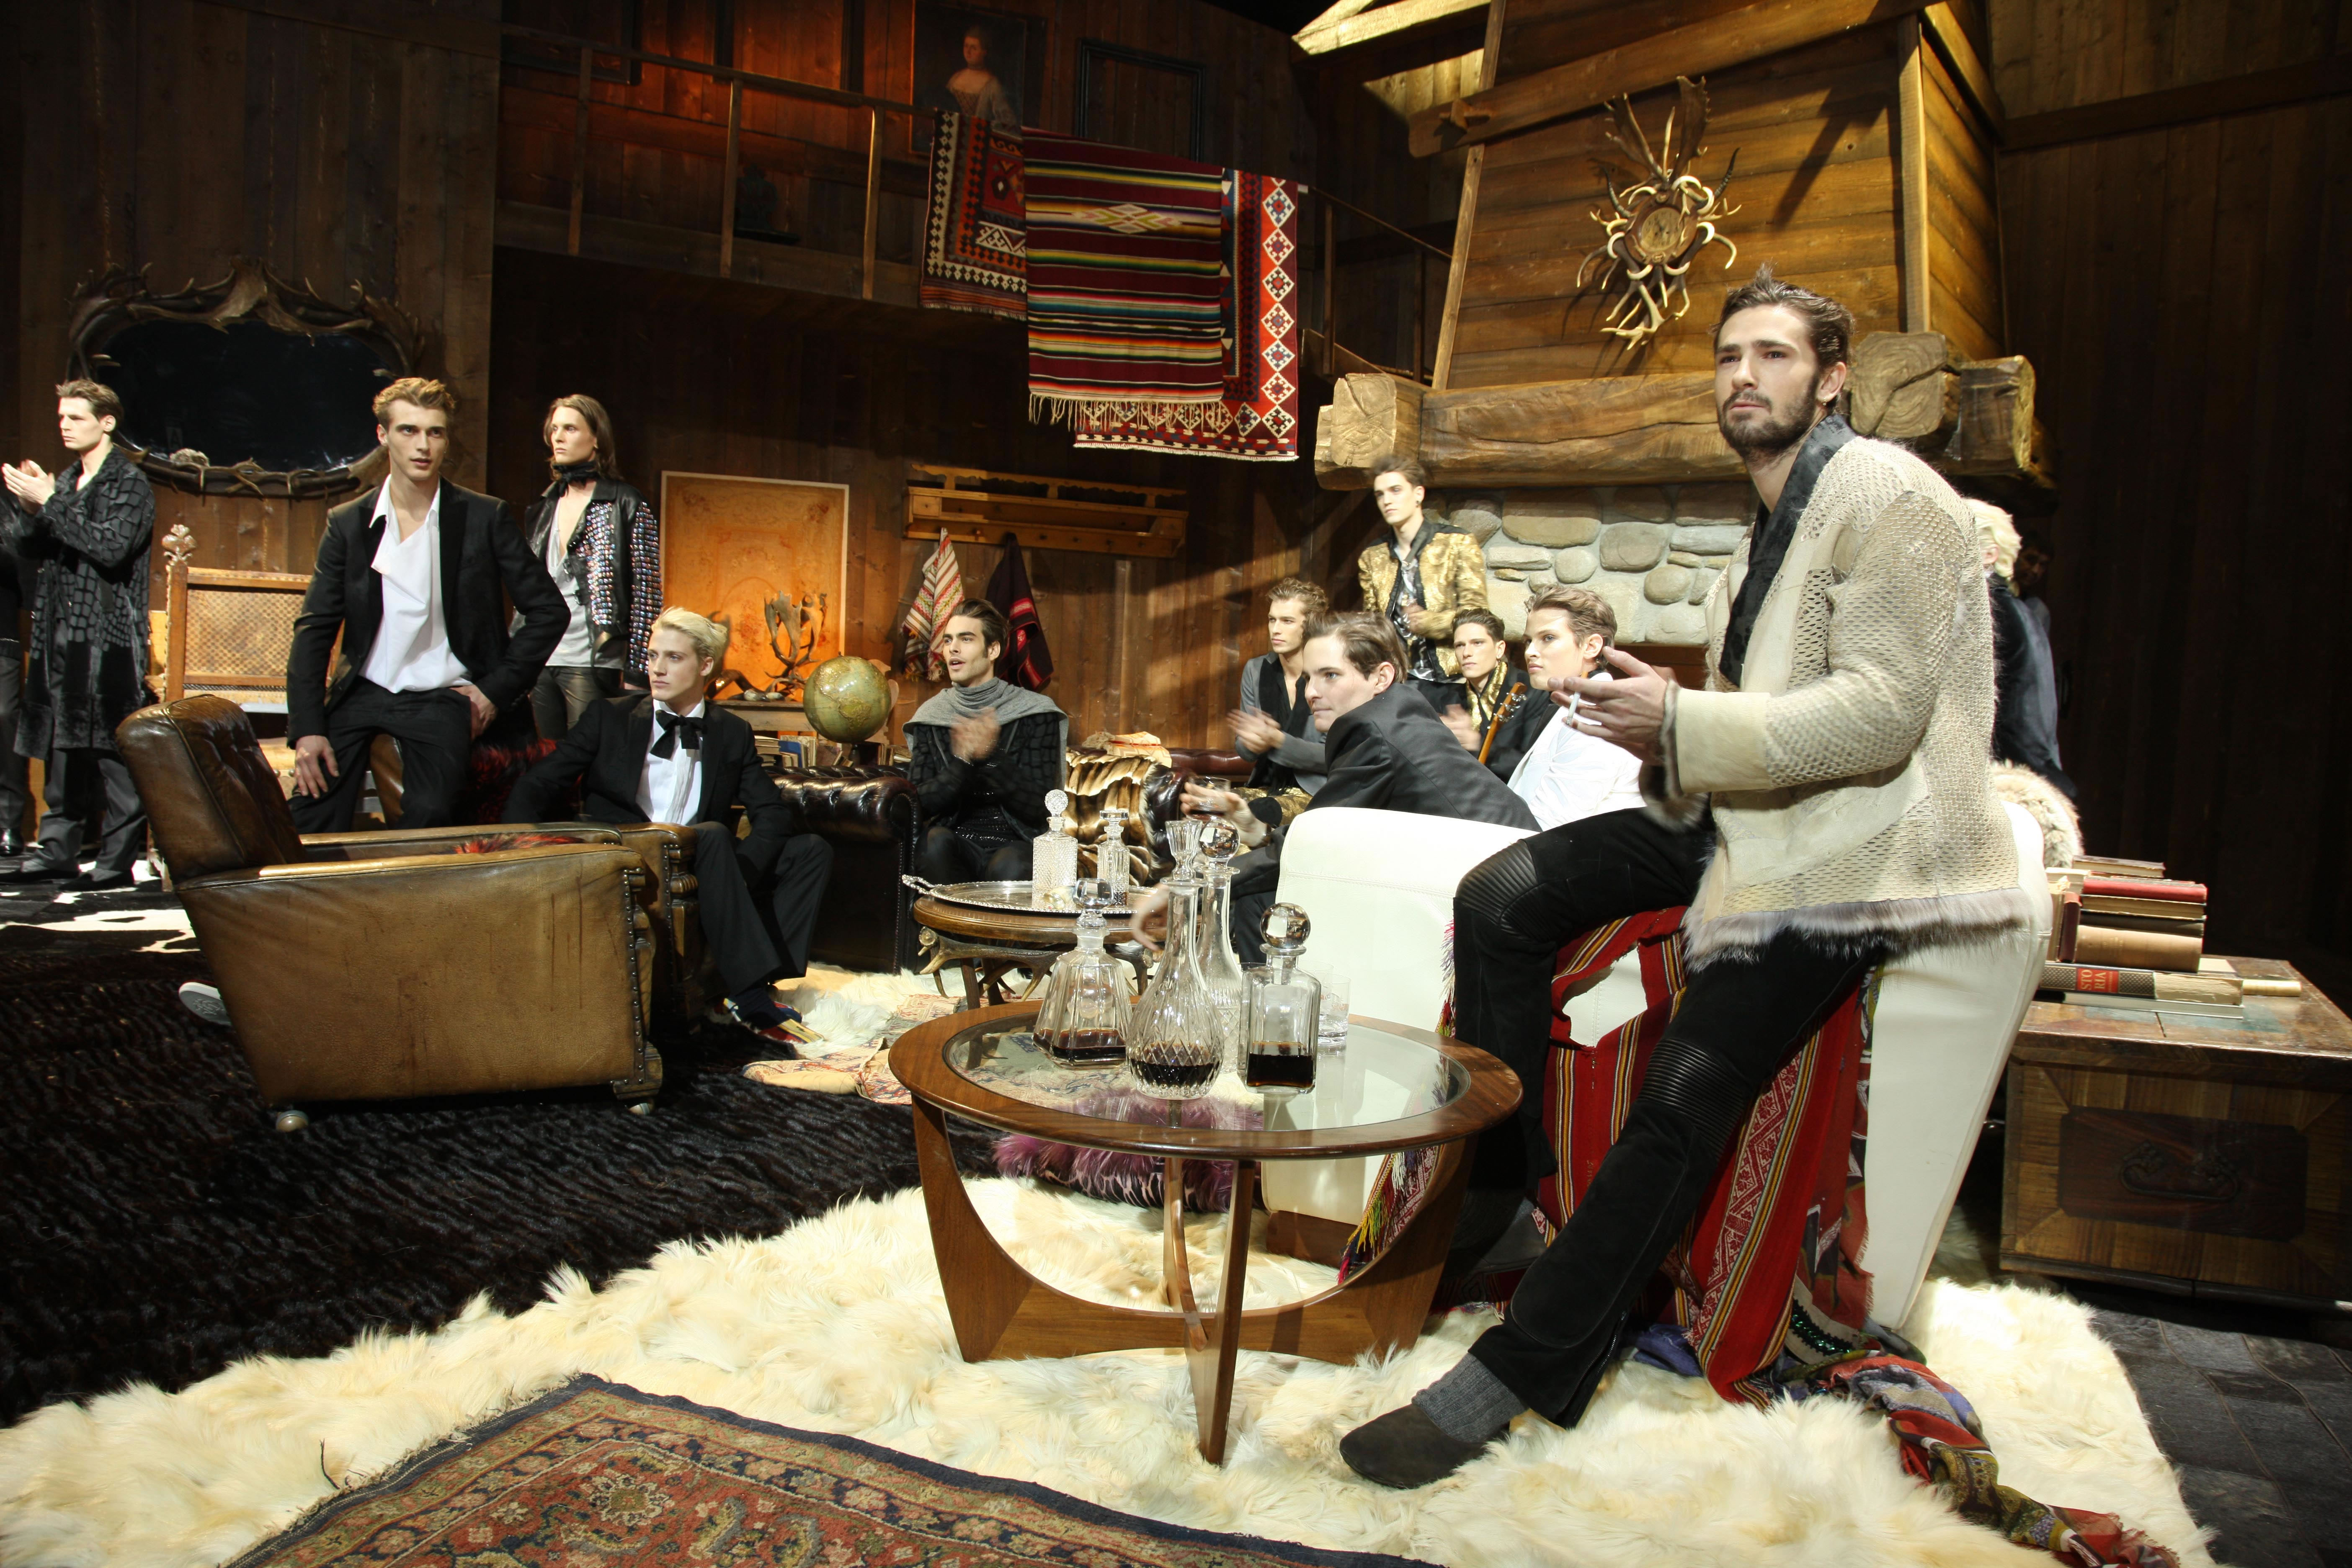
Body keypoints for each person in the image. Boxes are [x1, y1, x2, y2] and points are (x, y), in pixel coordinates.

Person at [1338, 265, 2029, 1488]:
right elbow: (1764, 718)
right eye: (1728, 356)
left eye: (1774, 355)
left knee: (1686, 1085)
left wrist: (1683, 719)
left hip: (1861, 854)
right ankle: (1500, 1191)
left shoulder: (1892, 495)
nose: (1742, 376)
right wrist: (1666, 726)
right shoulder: (1763, 527)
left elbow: (1881, 713)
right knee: (1500, 895)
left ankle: (1523, 1365)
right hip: (1752, 818)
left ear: (1831, 381)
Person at [507, 607, 831, 1039]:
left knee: (810, 851)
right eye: (653, 655)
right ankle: (749, 994)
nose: (657, 669)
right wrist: (517, 853)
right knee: (713, 835)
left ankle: (757, 979)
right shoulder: (609, 717)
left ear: (706, 665)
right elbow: (539, 784)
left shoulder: (731, 731)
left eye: (674, 658)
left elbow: (771, 812)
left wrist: (738, 874)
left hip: (703, 860)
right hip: (629, 854)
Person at [1151, 612, 1535, 965]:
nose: (1311, 693)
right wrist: (1260, 831)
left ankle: (1273, 1010)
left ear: (1381, 678)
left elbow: (1312, 845)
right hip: (1495, 882)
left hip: (1495, 900)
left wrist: (1183, 888)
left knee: (1263, 900)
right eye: (1309, 678)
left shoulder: (1373, 730)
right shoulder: (1397, 714)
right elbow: (1332, 832)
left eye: (1330, 676)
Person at [285, 377, 567, 833]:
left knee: (430, 817)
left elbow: (549, 611)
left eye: (435, 432)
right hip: (363, 691)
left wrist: (493, 691)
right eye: (409, 431)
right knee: (309, 816)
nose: (423, 446)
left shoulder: (483, 516)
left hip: (442, 695)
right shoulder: (349, 523)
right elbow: (314, 630)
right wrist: (307, 729)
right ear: (383, 435)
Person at [0, 379, 155, 889]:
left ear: (106, 422)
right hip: (60, 630)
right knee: (61, 746)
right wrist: (31, 508)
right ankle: (57, 851)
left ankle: (116, 861)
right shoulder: (67, 481)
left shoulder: (128, 483)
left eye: (76, 418)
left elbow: (110, 549)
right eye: (62, 417)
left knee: (111, 750)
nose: (64, 426)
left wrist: (50, 502)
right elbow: (31, 549)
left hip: (109, 635)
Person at [522, 394, 662, 738]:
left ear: (596, 438)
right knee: (546, 759)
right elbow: (528, 589)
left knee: (588, 756)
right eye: (554, 429)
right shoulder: (543, 507)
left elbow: (647, 596)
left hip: (592, 658)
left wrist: (637, 672)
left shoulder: (625, 502)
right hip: (541, 656)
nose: (558, 437)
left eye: (570, 429)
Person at [906, 598, 1065, 882]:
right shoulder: (932, 716)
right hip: (955, 846)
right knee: (934, 843)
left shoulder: (1036, 712)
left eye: (966, 639)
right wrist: (963, 763)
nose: (953, 649)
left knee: (1011, 863)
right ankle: (943, 914)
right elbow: (920, 805)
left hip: (1017, 843)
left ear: (993, 650)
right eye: (948, 640)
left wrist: (992, 757)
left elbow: (1041, 808)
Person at [1493, 586, 1645, 829]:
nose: (1530, 652)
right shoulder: (1574, 704)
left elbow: (1548, 826)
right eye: (1528, 641)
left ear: (1591, 647)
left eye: (1548, 638)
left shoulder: (1597, 715)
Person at [1356, 457, 1487, 707]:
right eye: (1380, 495)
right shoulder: (1374, 556)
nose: (1387, 501)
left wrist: (1429, 622)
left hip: (1451, 677)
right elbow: (1372, 621)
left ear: (1418, 494)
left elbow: (1478, 615)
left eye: (1396, 490)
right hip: (1397, 679)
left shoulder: (1456, 543)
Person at [1973, 499, 2073, 799]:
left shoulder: (1996, 611)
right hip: (2030, 766)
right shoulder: (2014, 608)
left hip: (2013, 773)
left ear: (1990, 555)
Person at [1230, 576, 1329, 794]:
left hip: (1314, 792)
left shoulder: (1329, 676)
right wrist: (1251, 741)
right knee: (1210, 806)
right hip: (1264, 786)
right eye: (1272, 620)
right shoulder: (1256, 670)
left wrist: (1278, 741)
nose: (1275, 629)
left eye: (1287, 621)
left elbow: (1332, 756)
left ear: (1310, 626)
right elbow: (1245, 752)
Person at [1433, 609, 1525, 758]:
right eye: (1460, 645)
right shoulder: (1451, 700)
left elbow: (1535, 761)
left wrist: (1477, 744)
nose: (1466, 653)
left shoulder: (1531, 691)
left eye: (1477, 643)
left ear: (1500, 649)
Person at [0, 521, 32, 858]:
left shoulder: (9, 508)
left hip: (2, 642)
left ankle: (9, 822)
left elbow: (15, 560)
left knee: (5, 717)